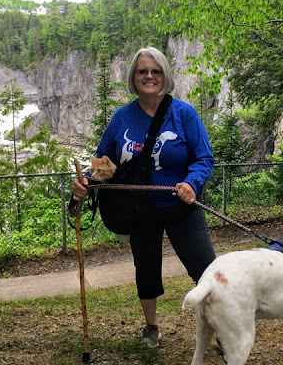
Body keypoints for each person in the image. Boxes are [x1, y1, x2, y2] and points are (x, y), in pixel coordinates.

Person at [71, 46, 216, 348]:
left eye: (156, 71)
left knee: (206, 272)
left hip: (181, 207)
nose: (149, 76)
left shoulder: (184, 114)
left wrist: (192, 182)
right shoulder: (122, 118)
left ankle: (222, 328)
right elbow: (105, 163)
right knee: (146, 271)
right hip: (140, 211)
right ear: (134, 78)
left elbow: (203, 158)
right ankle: (151, 326)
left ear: (165, 75)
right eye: (142, 71)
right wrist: (87, 180)